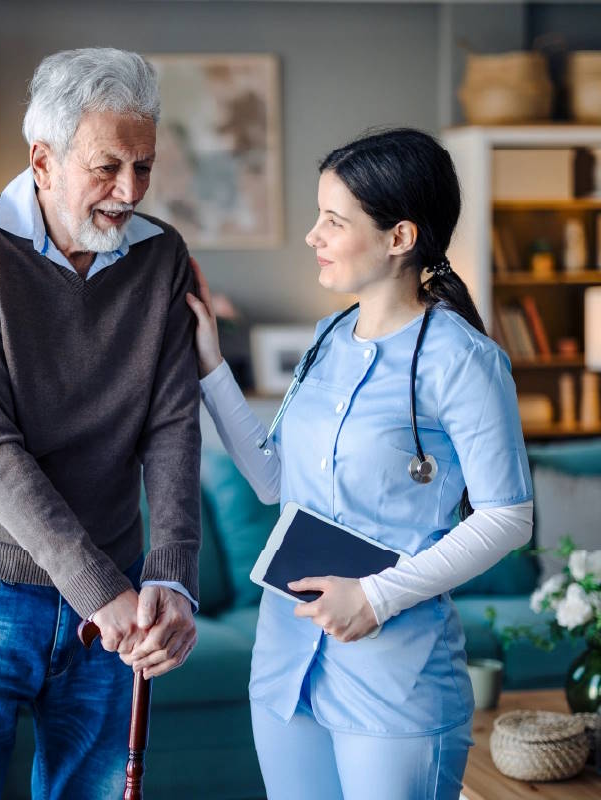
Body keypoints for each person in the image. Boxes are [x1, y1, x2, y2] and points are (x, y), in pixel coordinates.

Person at [186, 128, 533, 800]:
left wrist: (376, 598)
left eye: (334, 220)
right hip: (288, 661)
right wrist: (210, 364)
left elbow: (507, 516)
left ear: (399, 237)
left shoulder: (463, 360)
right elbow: (275, 480)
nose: (313, 235)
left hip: (393, 676)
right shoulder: (326, 340)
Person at [0, 48, 201, 800]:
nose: (129, 191)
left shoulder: (160, 256)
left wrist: (172, 571)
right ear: (43, 158)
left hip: (115, 590)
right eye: (107, 168)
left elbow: (171, 422)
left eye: (144, 167)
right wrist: (103, 591)